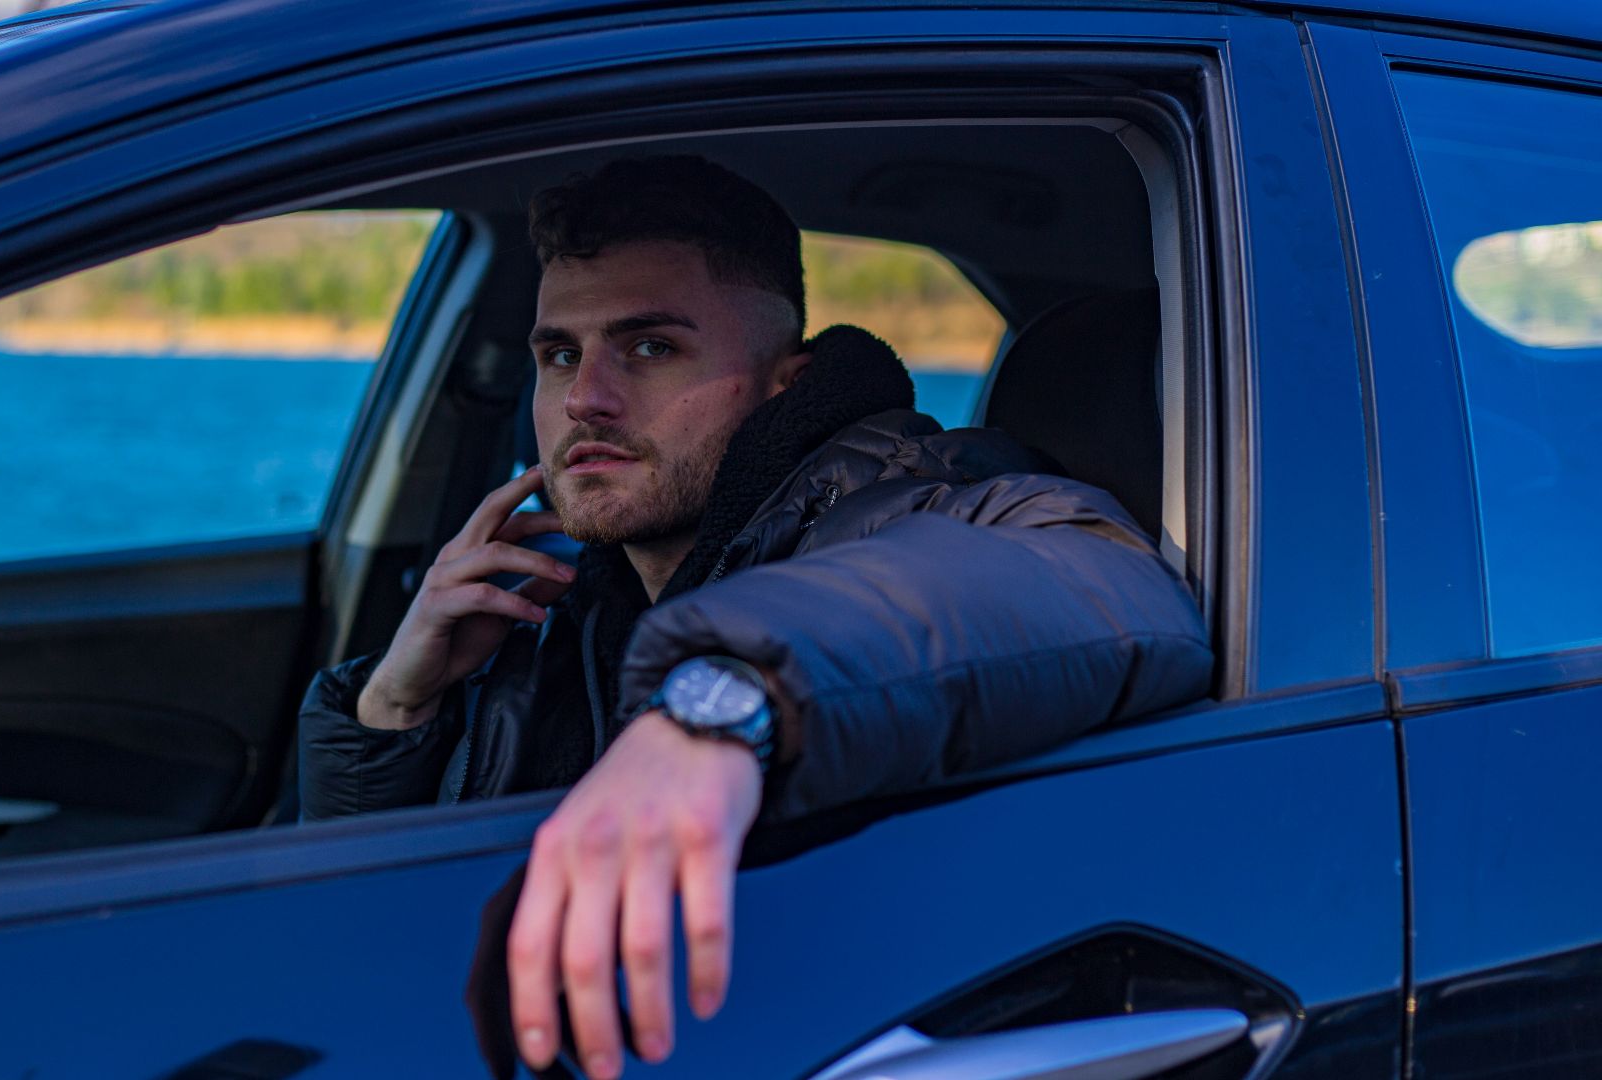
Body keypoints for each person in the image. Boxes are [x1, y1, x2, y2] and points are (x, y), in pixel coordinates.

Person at [299, 155, 1212, 1078]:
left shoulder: (918, 504)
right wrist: (392, 713)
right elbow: (348, 944)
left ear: (787, 381)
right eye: (560, 355)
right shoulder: (554, 600)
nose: (585, 399)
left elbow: (1099, 575)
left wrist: (720, 698)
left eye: (651, 347)